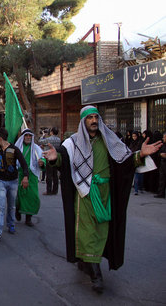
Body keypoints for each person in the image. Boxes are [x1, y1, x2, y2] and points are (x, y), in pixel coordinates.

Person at [42, 105, 162, 293]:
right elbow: (62, 161)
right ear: (83, 121)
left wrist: (141, 155)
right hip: (85, 193)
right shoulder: (72, 143)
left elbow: (124, 162)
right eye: (89, 118)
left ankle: (86, 260)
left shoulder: (108, 140)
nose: (94, 121)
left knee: (101, 231)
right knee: (88, 232)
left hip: (106, 194)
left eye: (95, 117)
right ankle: (96, 276)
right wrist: (54, 158)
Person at [0, 127, 29, 241]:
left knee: (11, 206)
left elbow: (23, 164)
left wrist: (25, 176)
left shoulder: (14, 149)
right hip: (0, 181)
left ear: (0, 138)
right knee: (0, 207)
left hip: (13, 181)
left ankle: (11, 225)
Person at [14, 129, 45, 226]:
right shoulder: (17, 148)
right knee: (21, 195)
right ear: (22, 137)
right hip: (21, 174)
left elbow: (42, 158)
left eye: (29, 136)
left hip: (32, 175)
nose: (28, 137)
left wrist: (42, 162)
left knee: (33, 196)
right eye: (26, 135)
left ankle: (28, 218)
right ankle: (18, 210)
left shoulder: (36, 148)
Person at [42, 127, 61, 195]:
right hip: (56, 157)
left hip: (49, 157)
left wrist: (43, 135)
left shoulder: (49, 139)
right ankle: (55, 190)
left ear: (52, 132)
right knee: (55, 174)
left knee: (49, 174)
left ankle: (49, 190)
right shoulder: (59, 139)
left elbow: (40, 141)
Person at [155, 131, 166, 198]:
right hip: (163, 164)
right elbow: (159, 153)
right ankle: (161, 193)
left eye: (164, 137)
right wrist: (161, 154)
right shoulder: (163, 145)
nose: (163, 138)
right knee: (162, 179)